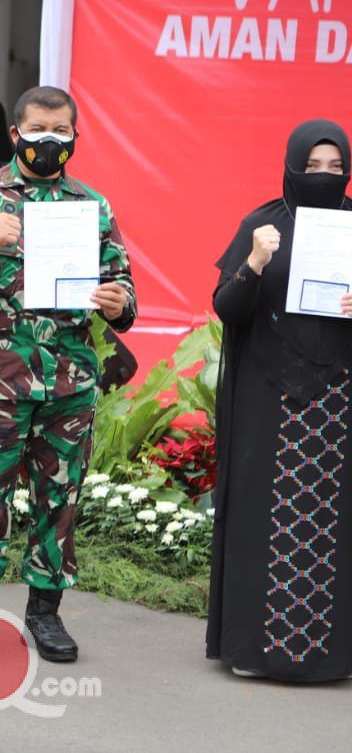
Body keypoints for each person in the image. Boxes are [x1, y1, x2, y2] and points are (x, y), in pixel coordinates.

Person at [0, 85, 136, 664]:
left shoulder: (91, 206)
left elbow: (125, 292)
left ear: (74, 137)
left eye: (60, 132)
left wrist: (117, 303)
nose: (49, 141)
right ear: (15, 135)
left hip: (68, 384)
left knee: (57, 501)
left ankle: (45, 614)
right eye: (38, 130)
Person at [207, 120, 352, 682]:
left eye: (334, 167)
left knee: (332, 526)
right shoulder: (263, 224)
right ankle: (254, 650)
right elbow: (228, 307)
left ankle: (329, 656)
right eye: (311, 166)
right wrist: (255, 262)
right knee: (262, 520)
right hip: (269, 399)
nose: (322, 176)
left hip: (339, 403)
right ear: (291, 164)